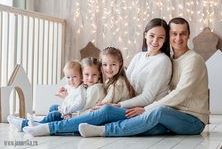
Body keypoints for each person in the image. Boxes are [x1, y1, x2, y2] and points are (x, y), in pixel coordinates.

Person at [22, 18, 172, 136]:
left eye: (160, 37)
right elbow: (127, 82)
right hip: (127, 103)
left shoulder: (162, 61)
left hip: (139, 109)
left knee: (103, 110)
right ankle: (29, 124)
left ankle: (49, 128)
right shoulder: (139, 57)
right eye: (152, 35)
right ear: (145, 34)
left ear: (165, 40)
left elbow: (147, 98)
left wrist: (118, 105)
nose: (155, 41)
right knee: (57, 107)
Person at [78, 17, 209, 137]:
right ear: (169, 36)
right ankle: (83, 124)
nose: (178, 38)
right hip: (172, 115)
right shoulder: (171, 59)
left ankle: (104, 131)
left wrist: (146, 109)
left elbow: (180, 94)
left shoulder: (193, 60)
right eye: (174, 33)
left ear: (189, 35)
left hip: (193, 120)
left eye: (183, 33)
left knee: (158, 111)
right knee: (152, 128)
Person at [7, 58, 104, 131]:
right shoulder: (84, 87)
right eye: (87, 75)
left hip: (74, 114)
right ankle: (40, 120)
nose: (90, 78)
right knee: (54, 107)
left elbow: (81, 105)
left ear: (99, 75)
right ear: (82, 75)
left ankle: (26, 124)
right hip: (72, 112)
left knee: (54, 114)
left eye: (94, 75)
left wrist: (66, 110)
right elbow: (73, 98)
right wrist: (65, 94)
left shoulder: (89, 89)